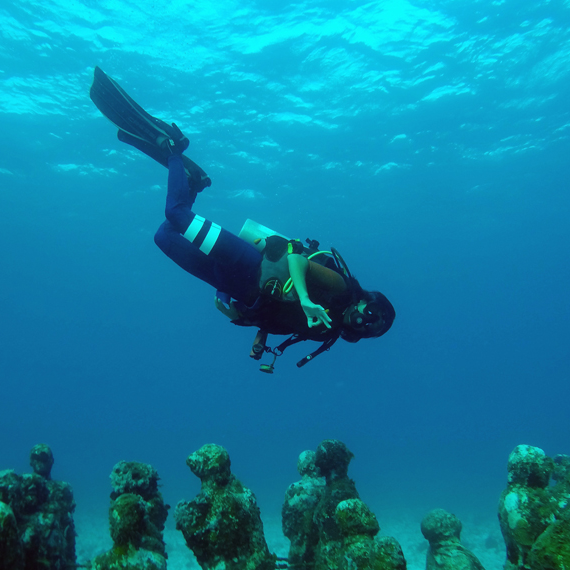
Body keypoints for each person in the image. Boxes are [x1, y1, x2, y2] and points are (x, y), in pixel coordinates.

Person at [89, 66, 395, 371]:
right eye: (373, 314)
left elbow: (280, 315)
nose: (367, 323)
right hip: (249, 263)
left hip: (236, 290)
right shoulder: (341, 288)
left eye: (373, 329)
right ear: (368, 300)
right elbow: (297, 263)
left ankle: (192, 184)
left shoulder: (324, 332)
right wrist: (304, 297)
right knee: (176, 215)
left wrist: (253, 329)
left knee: (163, 235)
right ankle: (173, 148)